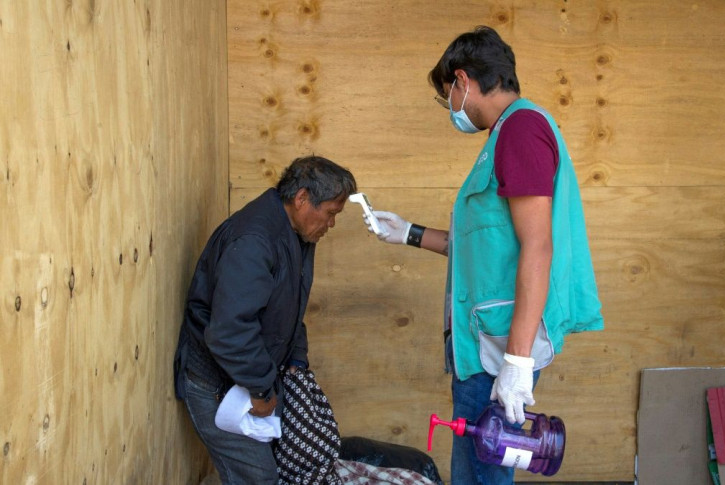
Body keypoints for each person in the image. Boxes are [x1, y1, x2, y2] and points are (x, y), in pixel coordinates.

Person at [365, 26, 604, 484]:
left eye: (447, 96)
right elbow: (482, 245)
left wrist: (516, 364)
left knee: (481, 476)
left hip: (498, 352)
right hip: (484, 346)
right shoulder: (505, 137)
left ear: (462, 81)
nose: (451, 108)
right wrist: (408, 234)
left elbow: (538, 245)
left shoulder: (520, 129)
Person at [173, 155, 357, 485]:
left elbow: (290, 310)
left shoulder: (297, 232)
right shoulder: (255, 241)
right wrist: (260, 387)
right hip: (218, 384)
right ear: (302, 198)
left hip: (249, 376)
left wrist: (297, 363)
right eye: (331, 213)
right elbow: (230, 331)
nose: (331, 224)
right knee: (259, 477)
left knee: (295, 463)